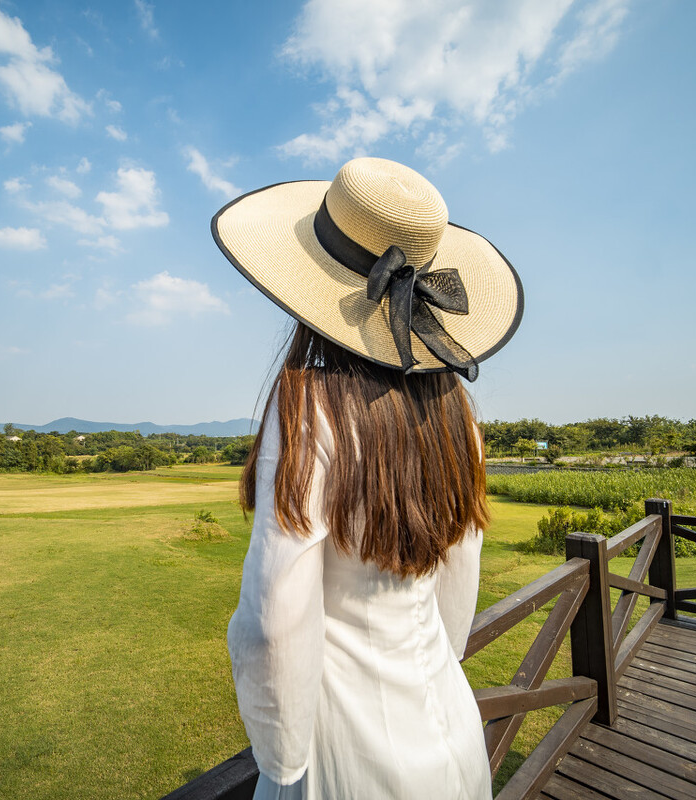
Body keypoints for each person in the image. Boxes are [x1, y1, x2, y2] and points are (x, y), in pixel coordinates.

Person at [212, 157, 523, 800]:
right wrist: (436, 661)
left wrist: (281, 762)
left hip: (348, 752)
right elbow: (460, 574)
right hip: (449, 726)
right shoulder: (456, 413)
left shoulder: (308, 407)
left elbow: (274, 616)